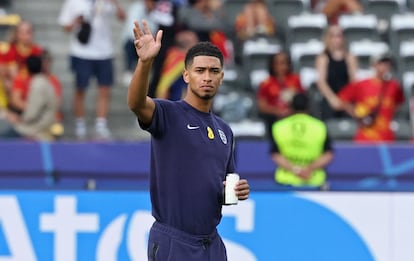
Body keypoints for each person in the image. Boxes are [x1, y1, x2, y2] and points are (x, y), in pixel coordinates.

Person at [127, 20, 250, 260]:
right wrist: (145, 63)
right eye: (200, 71)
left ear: (222, 77)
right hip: (174, 240)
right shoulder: (168, 114)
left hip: (211, 243)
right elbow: (136, 103)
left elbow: (223, 190)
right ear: (186, 75)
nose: (207, 77)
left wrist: (235, 191)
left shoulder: (225, 131)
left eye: (214, 71)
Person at [58, 0, 126, 140]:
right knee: (80, 88)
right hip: (81, 52)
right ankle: (80, 124)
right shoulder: (74, 2)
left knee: (105, 90)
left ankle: (101, 125)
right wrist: (77, 21)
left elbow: (122, 17)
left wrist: (116, 4)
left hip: (104, 52)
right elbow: (65, 27)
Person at [337, 53, 404, 142]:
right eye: (381, 63)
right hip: (365, 137)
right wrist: (356, 114)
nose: (384, 67)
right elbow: (342, 98)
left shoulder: (394, 86)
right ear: (374, 65)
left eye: (387, 64)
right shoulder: (362, 85)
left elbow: (399, 103)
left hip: (386, 136)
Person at [271, 92, 334, 188]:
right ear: (309, 107)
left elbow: (276, 154)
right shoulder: (320, 126)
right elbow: (328, 154)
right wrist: (309, 169)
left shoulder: (279, 126)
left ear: (291, 107)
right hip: (314, 179)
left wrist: (295, 170)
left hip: (286, 180)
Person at [0, 55, 58, 141]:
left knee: (4, 138)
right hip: (40, 122)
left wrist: (20, 119)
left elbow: (32, 112)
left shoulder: (37, 84)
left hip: (35, 127)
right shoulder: (44, 81)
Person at [121, 0, 174, 87]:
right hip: (132, 41)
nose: (153, 5)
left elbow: (154, 29)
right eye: (151, 2)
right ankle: (129, 69)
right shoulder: (137, 8)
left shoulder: (155, 12)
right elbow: (132, 29)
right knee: (132, 43)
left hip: (145, 42)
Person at [257, 51, 304, 141]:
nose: (281, 66)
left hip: (294, 116)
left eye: (283, 63)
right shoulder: (266, 83)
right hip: (274, 118)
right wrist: (278, 111)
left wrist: (291, 111)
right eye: (277, 63)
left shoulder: (295, 80)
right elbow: (262, 106)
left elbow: (302, 100)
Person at [315, 24, 358, 120]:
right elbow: (321, 82)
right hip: (329, 98)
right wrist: (333, 99)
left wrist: (345, 100)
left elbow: (353, 81)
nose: (336, 40)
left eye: (338, 36)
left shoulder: (350, 57)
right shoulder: (323, 58)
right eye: (332, 36)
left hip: (346, 98)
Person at [155, 30, 199, 100]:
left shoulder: (176, 55)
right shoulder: (180, 60)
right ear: (188, 45)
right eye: (195, 42)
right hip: (175, 104)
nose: (198, 44)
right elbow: (165, 85)